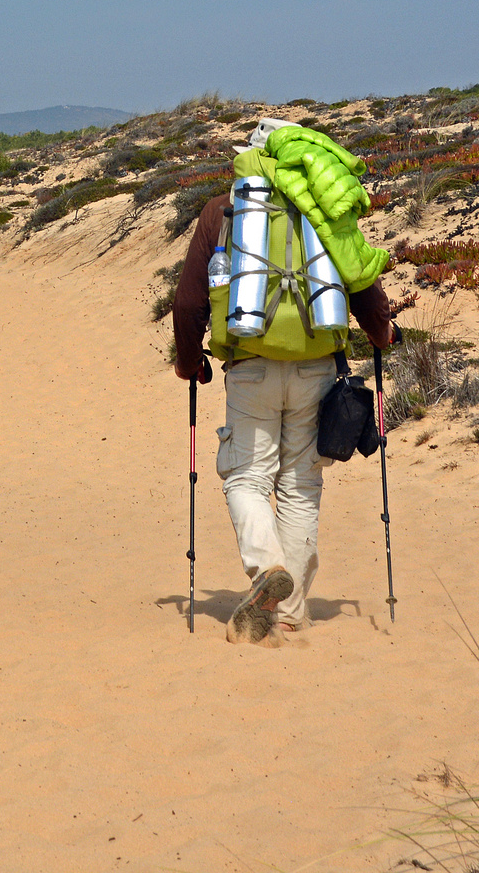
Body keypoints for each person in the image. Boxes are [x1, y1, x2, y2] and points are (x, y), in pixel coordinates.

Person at [171, 122, 396, 645]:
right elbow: (362, 285)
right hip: (318, 367)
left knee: (246, 479)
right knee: (299, 486)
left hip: (249, 366)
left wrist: (190, 364)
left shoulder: (222, 210)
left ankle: (266, 569)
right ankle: (290, 611)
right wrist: (382, 333)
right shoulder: (322, 209)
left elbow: (187, 304)